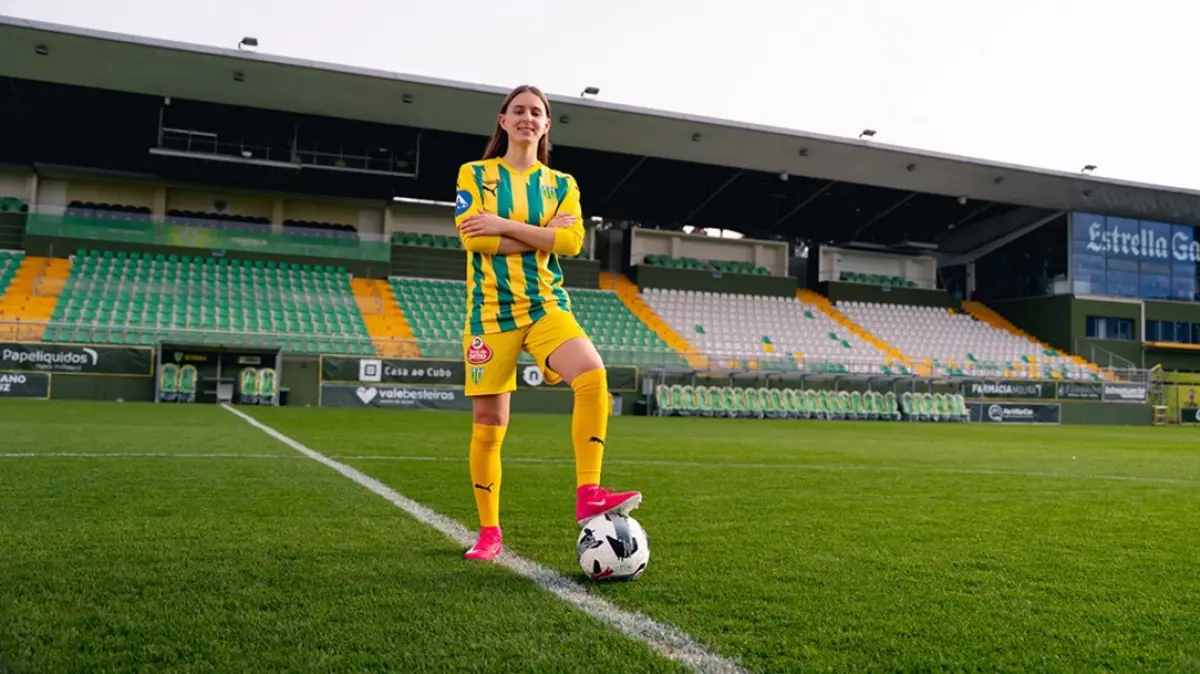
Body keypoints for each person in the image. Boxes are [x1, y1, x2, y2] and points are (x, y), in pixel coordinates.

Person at [454, 84, 641, 562]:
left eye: (536, 112)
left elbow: (573, 242)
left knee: (593, 375)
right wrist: (541, 236)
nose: (526, 118)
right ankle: (490, 531)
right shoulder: (475, 173)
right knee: (490, 426)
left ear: (546, 125)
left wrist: (505, 225)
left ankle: (589, 492)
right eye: (518, 110)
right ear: (503, 121)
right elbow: (476, 241)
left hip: (544, 306)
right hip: (489, 315)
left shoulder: (562, 184)